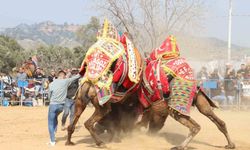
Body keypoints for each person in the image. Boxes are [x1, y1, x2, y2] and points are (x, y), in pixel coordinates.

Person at [47, 70, 80, 146]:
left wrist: (51, 100)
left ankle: (52, 141)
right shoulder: (65, 81)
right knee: (56, 116)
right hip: (61, 106)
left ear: (58, 76)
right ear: (63, 76)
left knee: (50, 122)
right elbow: (76, 77)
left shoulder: (51, 84)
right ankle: (54, 131)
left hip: (53, 105)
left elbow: (49, 96)